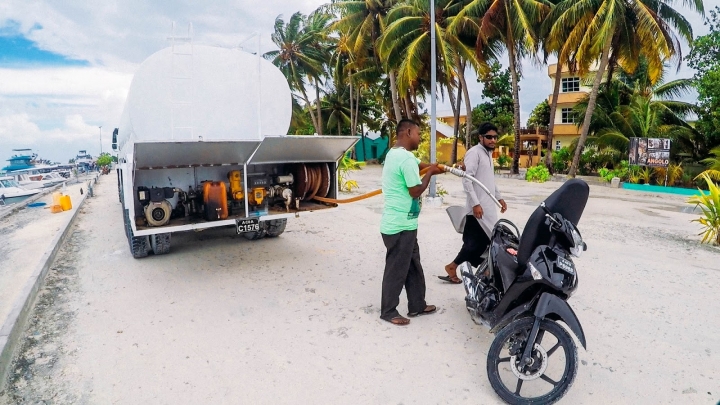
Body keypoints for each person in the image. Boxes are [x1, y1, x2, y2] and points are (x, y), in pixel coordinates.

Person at [380, 119, 444, 326]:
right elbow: (415, 190)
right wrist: (431, 174)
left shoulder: (395, 154)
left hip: (405, 224)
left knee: (413, 266)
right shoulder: (405, 159)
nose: (420, 137)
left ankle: (417, 304)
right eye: (418, 134)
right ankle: (388, 311)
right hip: (399, 226)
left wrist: (438, 167)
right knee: (397, 270)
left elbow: (421, 166)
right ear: (408, 132)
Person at [440, 122, 507, 284]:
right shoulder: (474, 153)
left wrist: (499, 198)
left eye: (495, 137)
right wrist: (475, 204)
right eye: (489, 137)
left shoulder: (488, 154)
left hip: (488, 209)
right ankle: (453, 267)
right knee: (473, 244)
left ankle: (481, 273)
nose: (493, 140)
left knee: (485, 243)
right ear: (480, 137)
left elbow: (489, 181)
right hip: (477, 210)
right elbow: (467, 180)